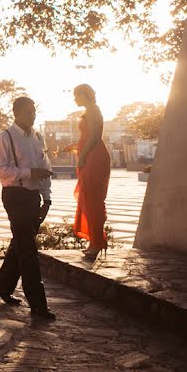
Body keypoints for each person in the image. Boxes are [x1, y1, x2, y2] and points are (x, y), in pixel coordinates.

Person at [0, 97, 56, 321]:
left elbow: (45, 169)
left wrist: (46, 199)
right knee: (28, 248)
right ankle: (38, 304)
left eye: (34, 111)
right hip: (14, 196)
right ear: (16, 112)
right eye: (28, 112)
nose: (33, 115)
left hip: (33, 197)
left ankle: (2, 287)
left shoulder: (37, 137)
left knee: (20, 243)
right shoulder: (5, 137)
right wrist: (29, 173)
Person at [66, 84, 112, 260]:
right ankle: (96, 241)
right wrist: (74, 147)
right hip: (91, 154)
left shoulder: (93, 110)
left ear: (84, 95)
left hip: (94, 157)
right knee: (89, 198)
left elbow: (95, 137)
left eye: (76, 96)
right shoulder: (90, 110)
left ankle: (97, 242)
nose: (74, 99)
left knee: (93, 200)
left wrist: (83, 154)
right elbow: (87, 137)